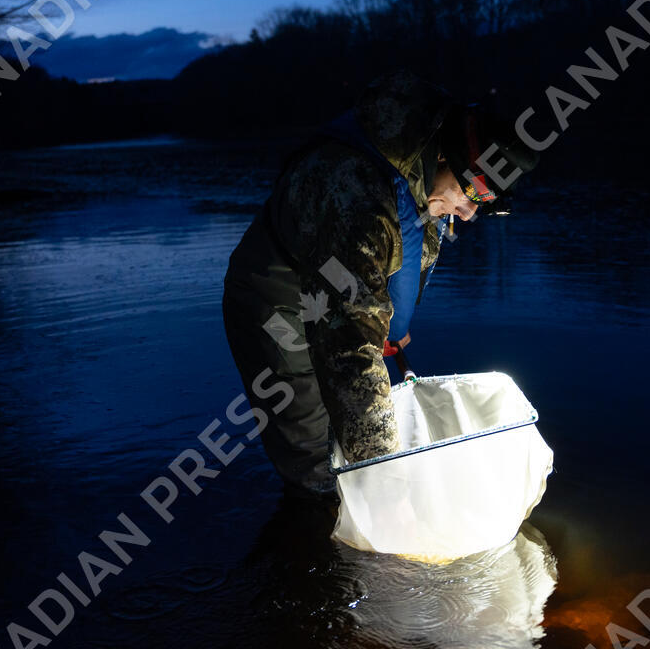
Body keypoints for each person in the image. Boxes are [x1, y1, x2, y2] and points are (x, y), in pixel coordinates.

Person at [222, 71, 538, 496]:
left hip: (338, 287)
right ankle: (319, 513)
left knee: (357, 419)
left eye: (487, 204)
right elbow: (350, 349)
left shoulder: (424, 163)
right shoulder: (360, 201)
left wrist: (387, 323)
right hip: (280, 300)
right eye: (474, 195)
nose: (468, 214)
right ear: (443, 159)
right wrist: (388, 479)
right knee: (317, 456)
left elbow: (383, 269)